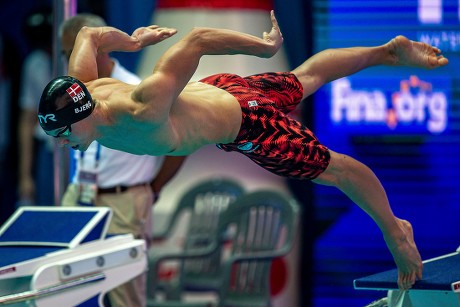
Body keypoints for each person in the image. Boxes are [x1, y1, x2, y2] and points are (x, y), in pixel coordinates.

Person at [38, 11, 448, 291]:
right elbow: (88, 35)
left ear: (81, 117)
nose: (62, 144)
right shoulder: (81, 87)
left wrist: (262, 48)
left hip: (246, 123)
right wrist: (129, 41)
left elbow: (197, 39)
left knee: (335, 169)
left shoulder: (142, 108)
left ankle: (396, 230)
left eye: (63, 134)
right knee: (303, 77)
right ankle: (385, 51)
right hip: (222, 90)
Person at [58, 13, 186, 307]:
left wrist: (153, 188)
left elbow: (182, 143)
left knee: (124, 294)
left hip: (125, 202)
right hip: (80, 194)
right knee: (65, 287)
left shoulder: (136, 91)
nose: (68, 60)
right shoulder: (71, 95)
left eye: (69, 52)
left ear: (98, 49)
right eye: (66, 52)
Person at [18, 6, 54, 206]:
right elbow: (27, 120)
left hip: (81, 147)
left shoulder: (77, 62)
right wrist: (25, 176)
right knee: (47, 206)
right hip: (48, 148)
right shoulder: (34, 64)